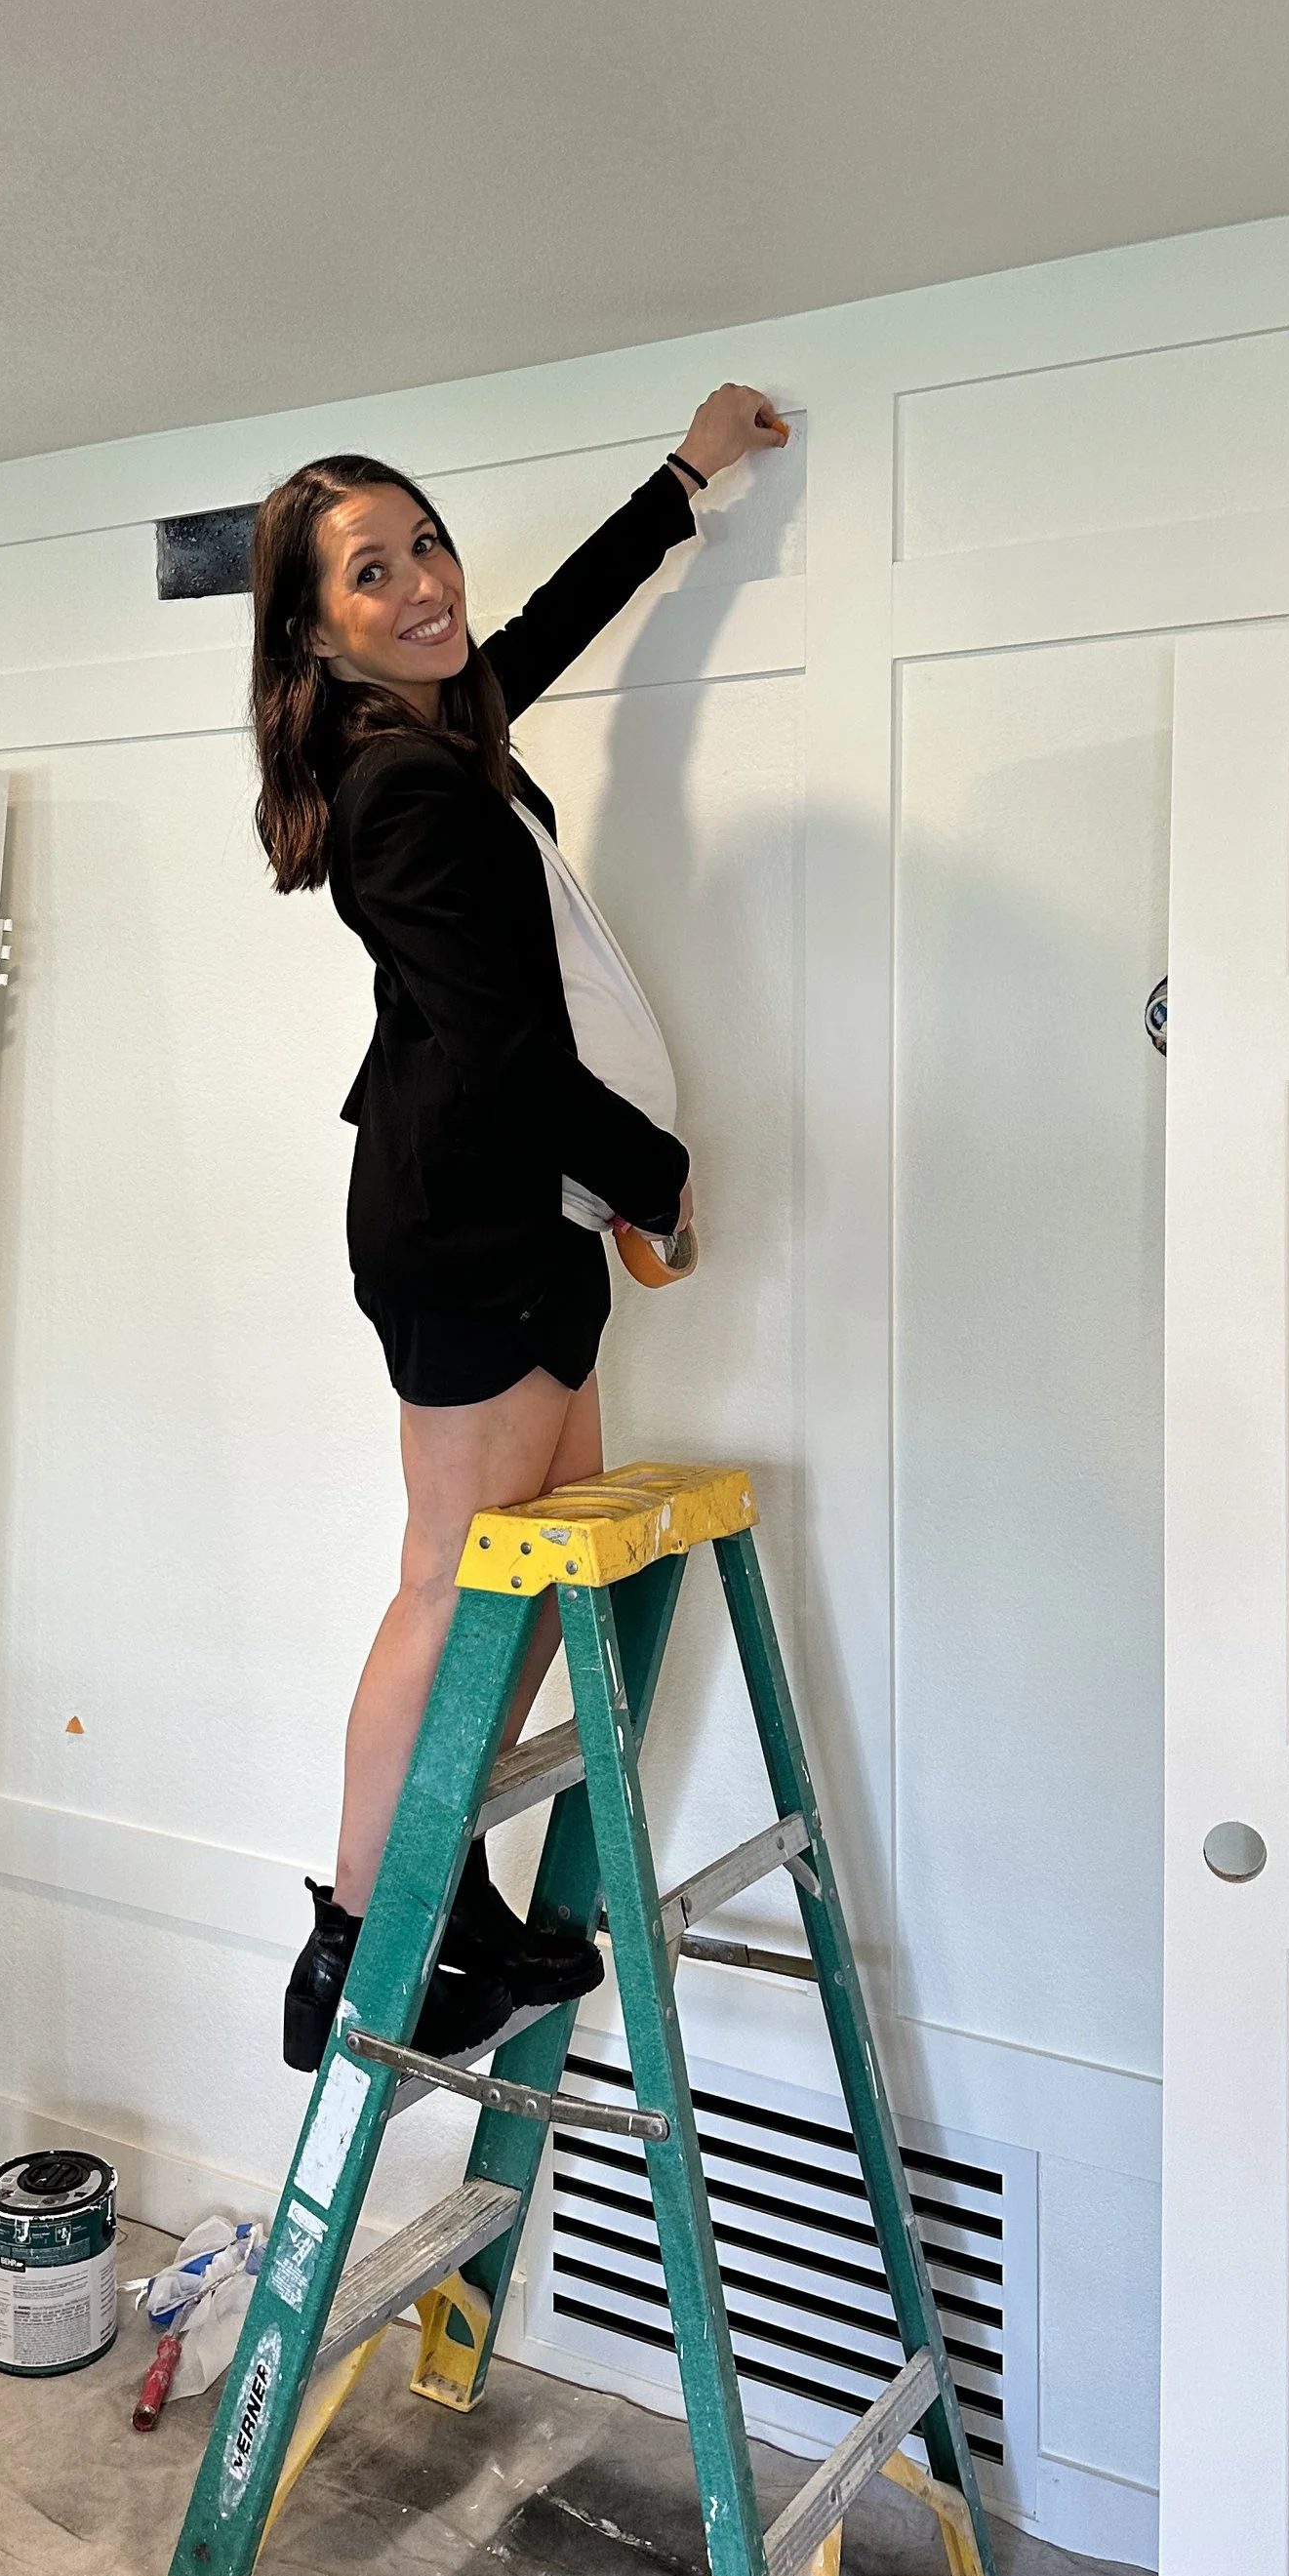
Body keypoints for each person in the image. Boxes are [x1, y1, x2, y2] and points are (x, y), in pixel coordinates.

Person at [247, 384, 790, 2070]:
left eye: (425, 544)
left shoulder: (441, 726)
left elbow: (541, 624)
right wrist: (655, 1171)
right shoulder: (396, 789)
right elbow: (498, 1055)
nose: (420, 585)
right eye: (368, 573)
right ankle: (352, 1940)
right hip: (470, 1223)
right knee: (448, 1580)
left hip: (528, 1215)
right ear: (311, 632)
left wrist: (686, 480)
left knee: (530, 1579)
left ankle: (452, 1892)